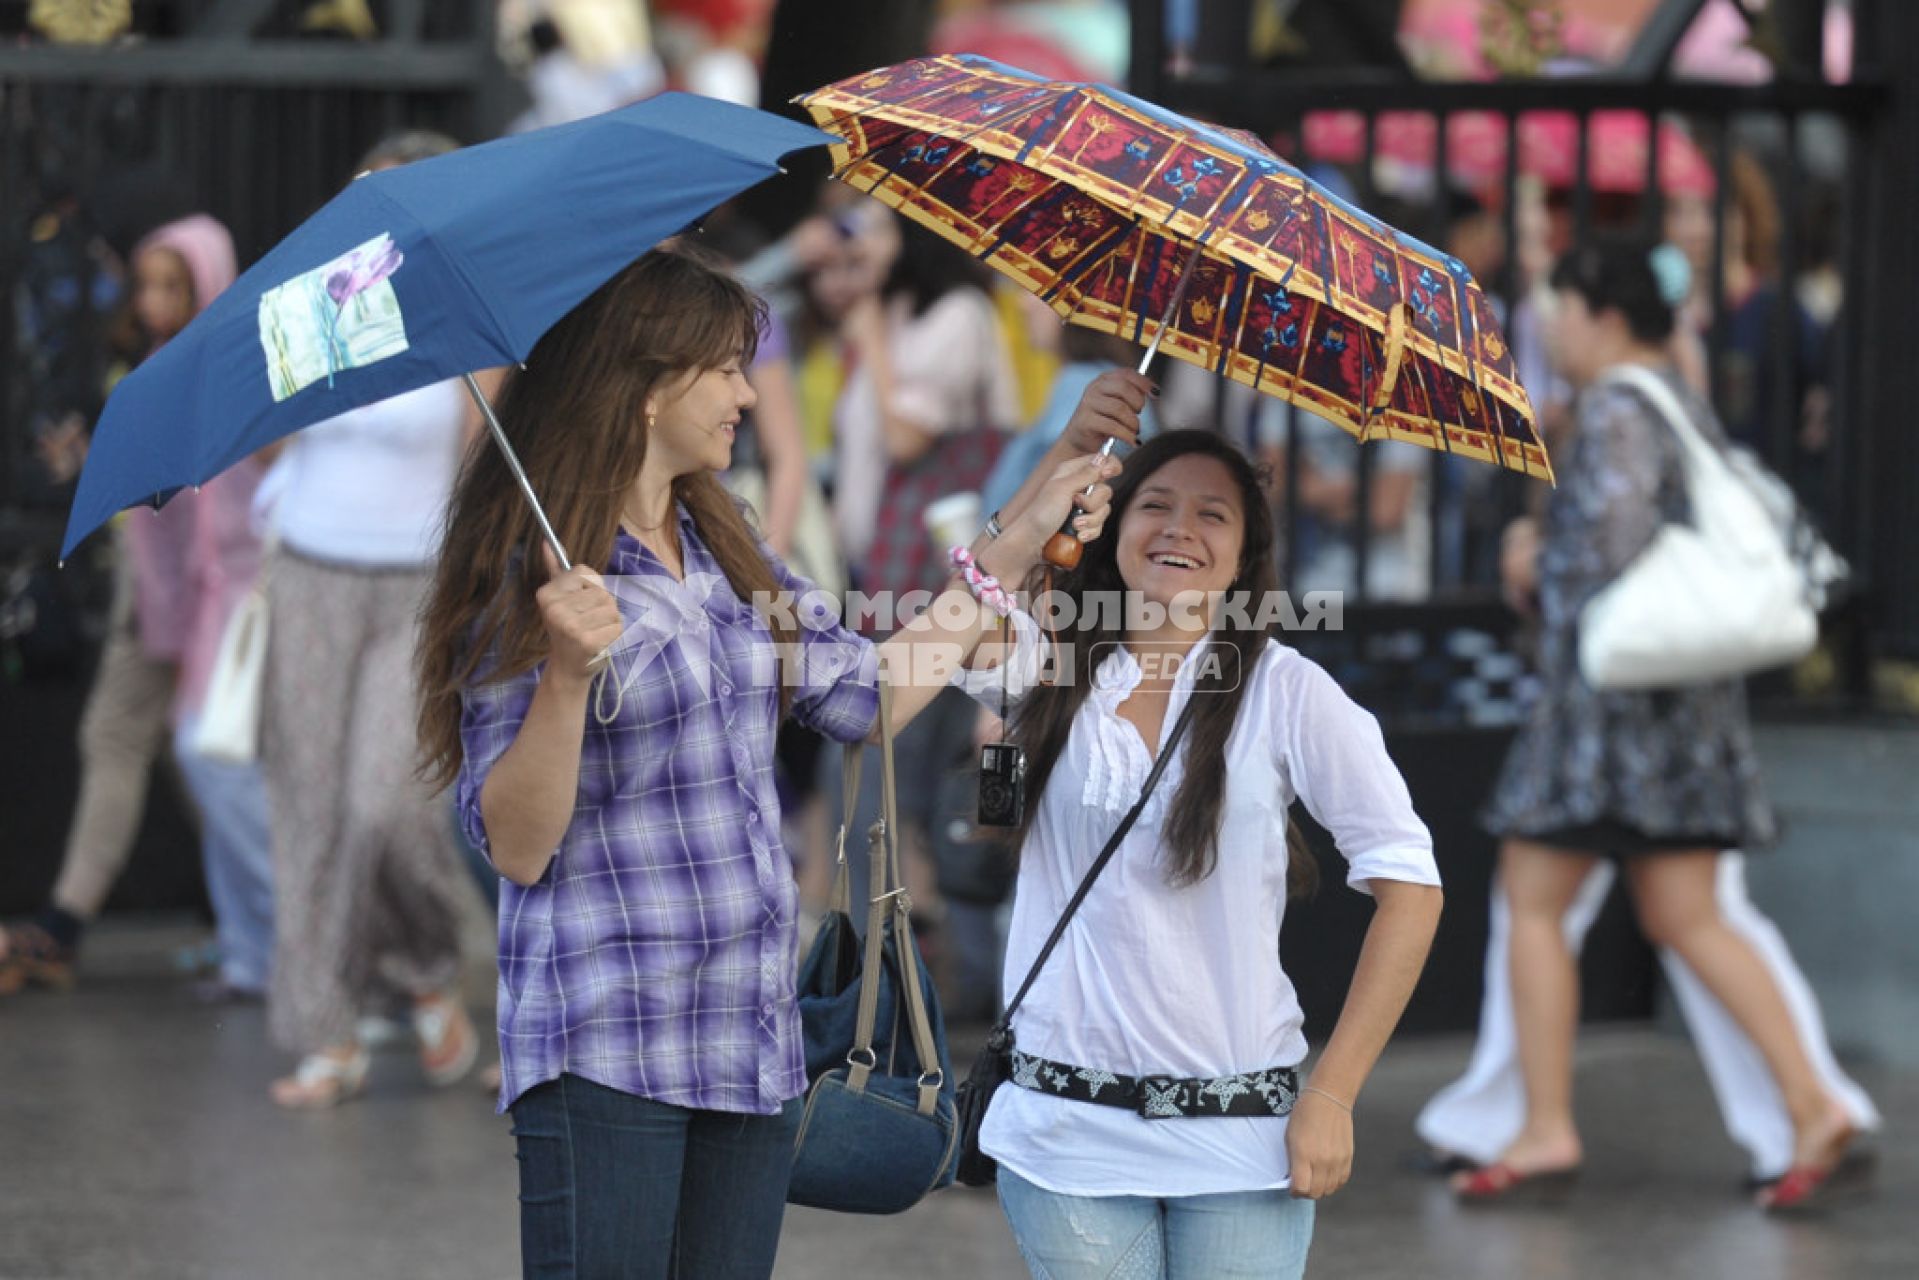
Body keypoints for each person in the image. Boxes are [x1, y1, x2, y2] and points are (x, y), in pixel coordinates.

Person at [412, 244, 1141, 1279]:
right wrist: (567, 679)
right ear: (643, 379)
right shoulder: (525, 570)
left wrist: (1022, 530)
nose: (748, 393)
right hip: (606, 1037)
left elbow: (870, 694)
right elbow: (517, 847)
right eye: (723, 367)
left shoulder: (727, 540)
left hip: (749, 1037)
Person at [957, 429, 1444, 1279]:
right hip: (1062, 1130)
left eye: (1210, 514)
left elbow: (1412, 886)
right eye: (1155, 505)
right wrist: (1067, 453)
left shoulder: (1286, 691)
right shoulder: (1047, 664)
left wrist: (1331, 1094)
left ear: (1245, 553)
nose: (1179, 528)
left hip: (1239, 1138)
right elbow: (937, 639)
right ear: (1110, 526)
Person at [1463, 235, 1866, 1212]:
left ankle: (1545, 1124)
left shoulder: (1614, 408)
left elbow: (1597, 552)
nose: (1547, 329)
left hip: (1606, 720)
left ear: (1600, 313)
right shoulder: (1671, 392)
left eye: (1556, 308)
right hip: (1678, 718)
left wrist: (1527, 554)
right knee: (1683, 912)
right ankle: (1808, 1100)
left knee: (1532, 896)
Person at [258, 130, 489, 1107]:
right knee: (307, 807)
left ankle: (427, 962)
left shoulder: (471, 313)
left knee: (385, 806)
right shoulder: (313, 298)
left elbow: (480, 467)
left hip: (417, 581)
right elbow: (270, 428)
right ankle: (325, 1030)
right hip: (309, 566)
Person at [0, 213, 239, 996]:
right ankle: (245, 915)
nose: (153, 301)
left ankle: (67, 923)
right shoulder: (178, 364)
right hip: (168, 589)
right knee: (190, 753)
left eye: (174, 284)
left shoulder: (204, 369)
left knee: (151, 743)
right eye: (145, 284)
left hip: (190, 594)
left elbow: (199, 511)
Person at [1416, 852, 1880, 1190]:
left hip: (1599, 736)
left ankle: (1541, 1127)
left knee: (1536, 907)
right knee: (1693, 916)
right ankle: (1810, 1105)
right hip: (1679, 743)